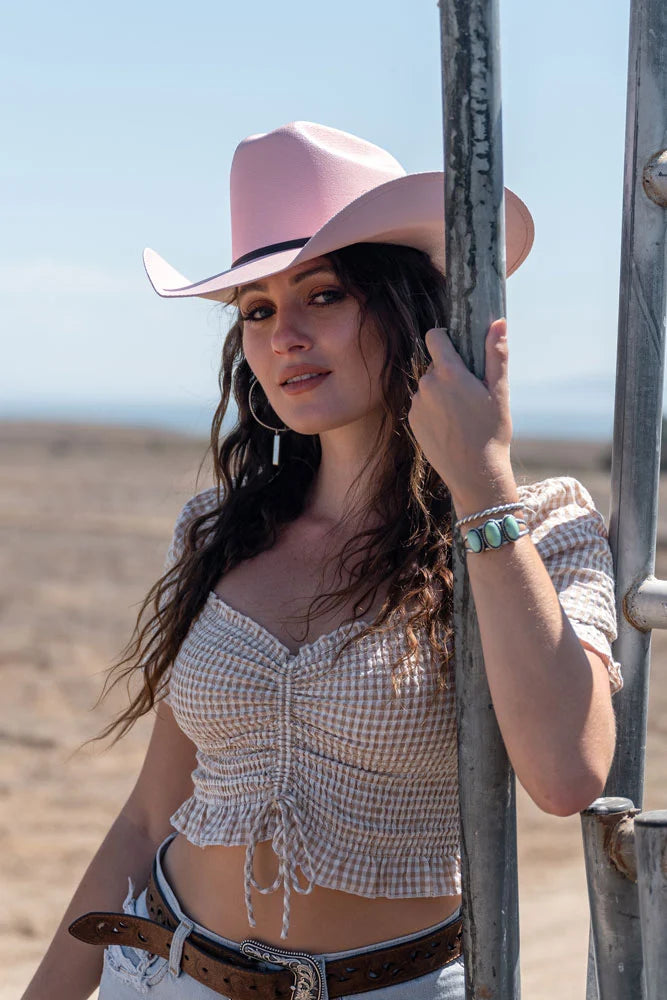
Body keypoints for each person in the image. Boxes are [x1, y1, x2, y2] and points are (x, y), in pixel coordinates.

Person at [22, 121, 623, 1000]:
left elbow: (568, 774)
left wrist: (481, 488)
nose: (284, 335)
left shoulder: (541, 528)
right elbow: (152, 813)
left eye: (325, 295)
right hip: (163, 974)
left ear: (406, 308)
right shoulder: (217, 532)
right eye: (258, 310)